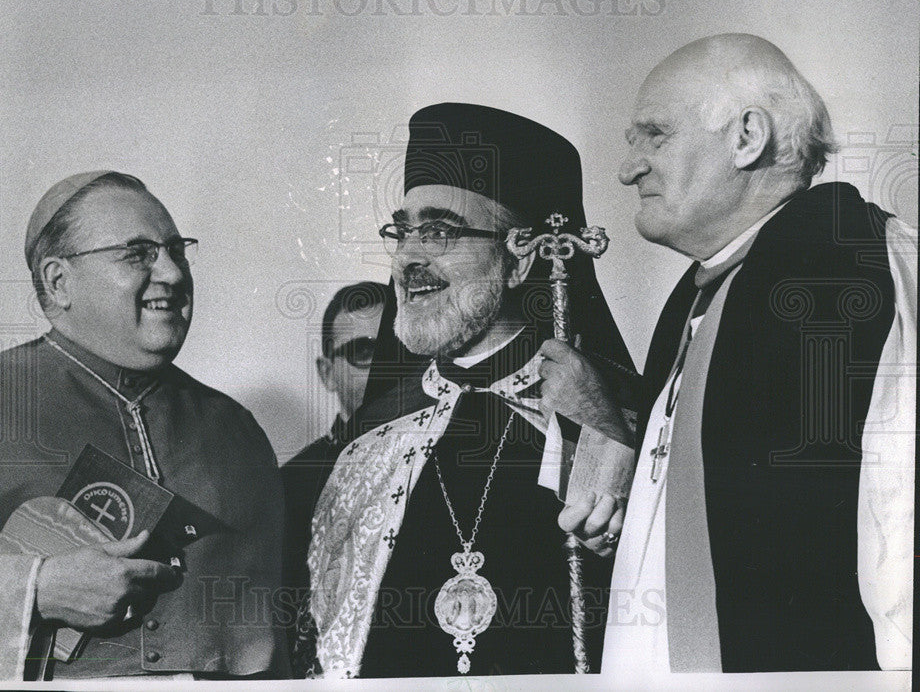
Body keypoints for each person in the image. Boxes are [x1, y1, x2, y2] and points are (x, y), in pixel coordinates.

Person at [544, 33, 915, 674]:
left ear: (747, 137)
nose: (627, 170)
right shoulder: (707, 294)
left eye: (654, 135)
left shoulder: (852, 272)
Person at [299, 103, 639, 678]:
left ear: (518, 259)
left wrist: (603, 436)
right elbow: (328, 647)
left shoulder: (618, 417)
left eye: (439, 232)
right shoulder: (371, 443)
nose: (408, 259)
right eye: (403, 233)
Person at [0, 171, 286, 680]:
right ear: (58, 281)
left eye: (177, 250)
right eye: (137, 253)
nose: (174, 274)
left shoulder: (235, 428)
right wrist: (37, 587)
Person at [279, 281, 386, 654]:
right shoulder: (291, 485)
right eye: (365, 352)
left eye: (396, 348)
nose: (387, 366)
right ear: (326, 373)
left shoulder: (451, 463)